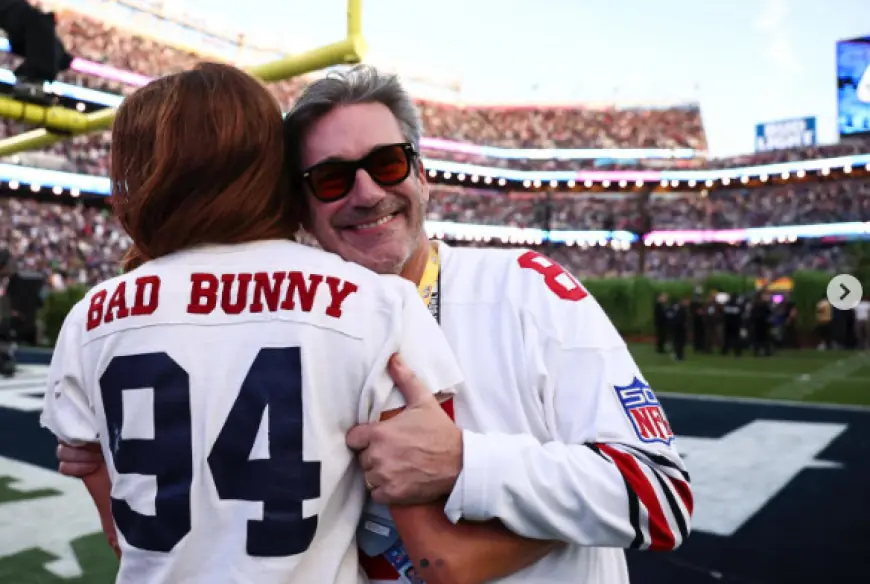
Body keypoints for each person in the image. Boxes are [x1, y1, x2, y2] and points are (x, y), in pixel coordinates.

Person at [59, 65, 692, 584]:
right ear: (297, 203)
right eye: (331, 178)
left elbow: (663, 497)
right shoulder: (330, 310)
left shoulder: (526, 288)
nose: (364, 192)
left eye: (387, 164)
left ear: (422, 173)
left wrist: (468, 462)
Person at [41, 62, 463, 584]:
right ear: (270, 163)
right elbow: (440, 554)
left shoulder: (91, 316)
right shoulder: (379, 303)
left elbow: (115, 524)